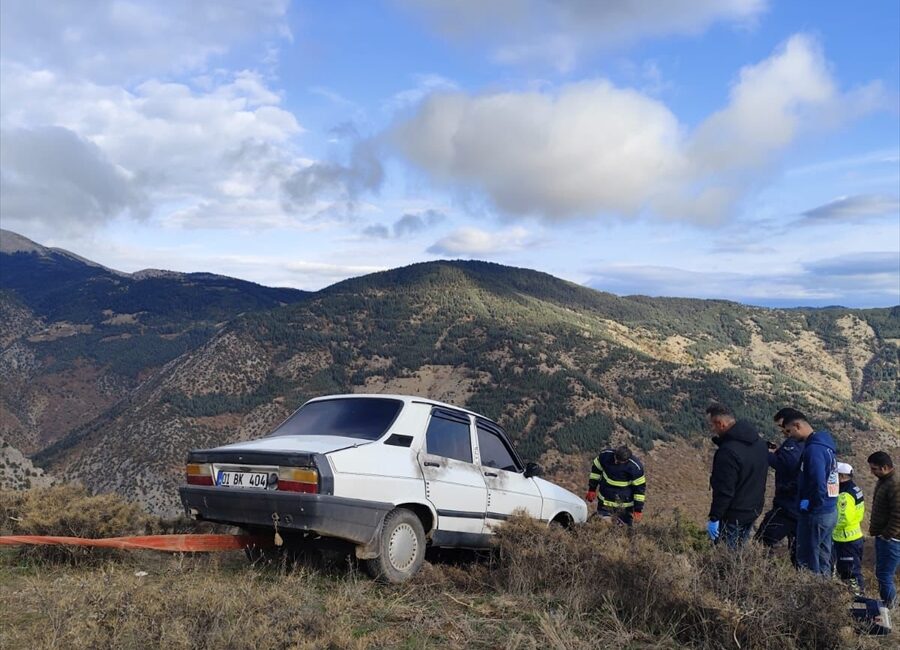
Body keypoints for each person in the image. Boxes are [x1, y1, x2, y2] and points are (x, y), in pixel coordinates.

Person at [781, 410, 837, 576]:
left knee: (806, 560)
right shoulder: (826, 446)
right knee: (822, 558)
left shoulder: (813, 450)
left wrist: (811, 504)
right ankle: (826, 596)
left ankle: (810, 598)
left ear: (798, 426)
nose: (789, 436)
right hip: (830, 510)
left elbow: (818, 482)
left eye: (789, 431)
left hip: (817, 513)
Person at [705, 404, 768, 549]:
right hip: (753, 510)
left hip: (733, 516)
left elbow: (724, 490)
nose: (711, 430)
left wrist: (714, 517)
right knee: (740, 555)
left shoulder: (728, 452)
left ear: (720, 424)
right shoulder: (759, 442)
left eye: (711, 425)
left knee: (725, 557)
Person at [755, 407, 805, 565]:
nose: (782, 431)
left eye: (782, 426)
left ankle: (767, 576)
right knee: (799, 553)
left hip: (788, 505)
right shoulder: (808, 442)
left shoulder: (793, 442)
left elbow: (787, 465)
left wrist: (766, 454)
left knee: (763, 541)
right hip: (799, 506)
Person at [868, 451, 900, 607]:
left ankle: (890, 608)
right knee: (883, 574)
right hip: (885, 537)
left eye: (874, 469)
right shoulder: (885, 481)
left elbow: (898, 514)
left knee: (884, 575)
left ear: (885, 467)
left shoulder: (894, 484)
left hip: (891, 540)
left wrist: (887, 534)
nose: (872, 472)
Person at [584, 445, 646, 526]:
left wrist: (638, 509)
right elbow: (595, 471)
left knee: (623, 531)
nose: (616, 462)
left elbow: (639, 490)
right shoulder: (605, 456)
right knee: (601, 526)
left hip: (624, 507)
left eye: (619, 461)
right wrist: (592, 489)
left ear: (626, 460)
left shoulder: (635, 468)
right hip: (605, 502)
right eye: (615, 458)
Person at [832, 462, 865, 595]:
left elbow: (843, 518)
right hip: (854, 536)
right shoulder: (855, 489)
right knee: (851, 571)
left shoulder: (844, 495)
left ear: (841, 476)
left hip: (845, 538)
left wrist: (829, 526)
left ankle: (858, 599)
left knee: (850, 573)